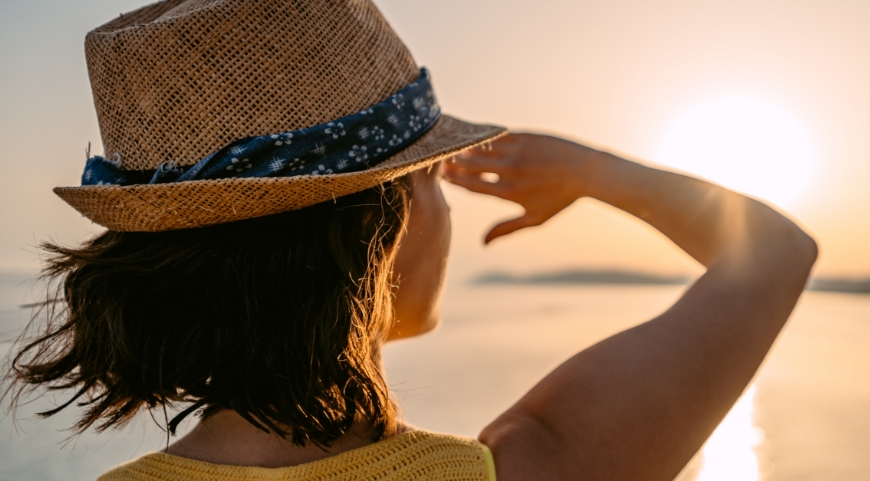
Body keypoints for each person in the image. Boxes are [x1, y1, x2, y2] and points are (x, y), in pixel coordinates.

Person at [4, 0, 817, 480]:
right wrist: (590, 170)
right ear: (377, 231)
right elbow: (774, 254)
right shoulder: (519, 468)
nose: (447, 205)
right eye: (432, 174)